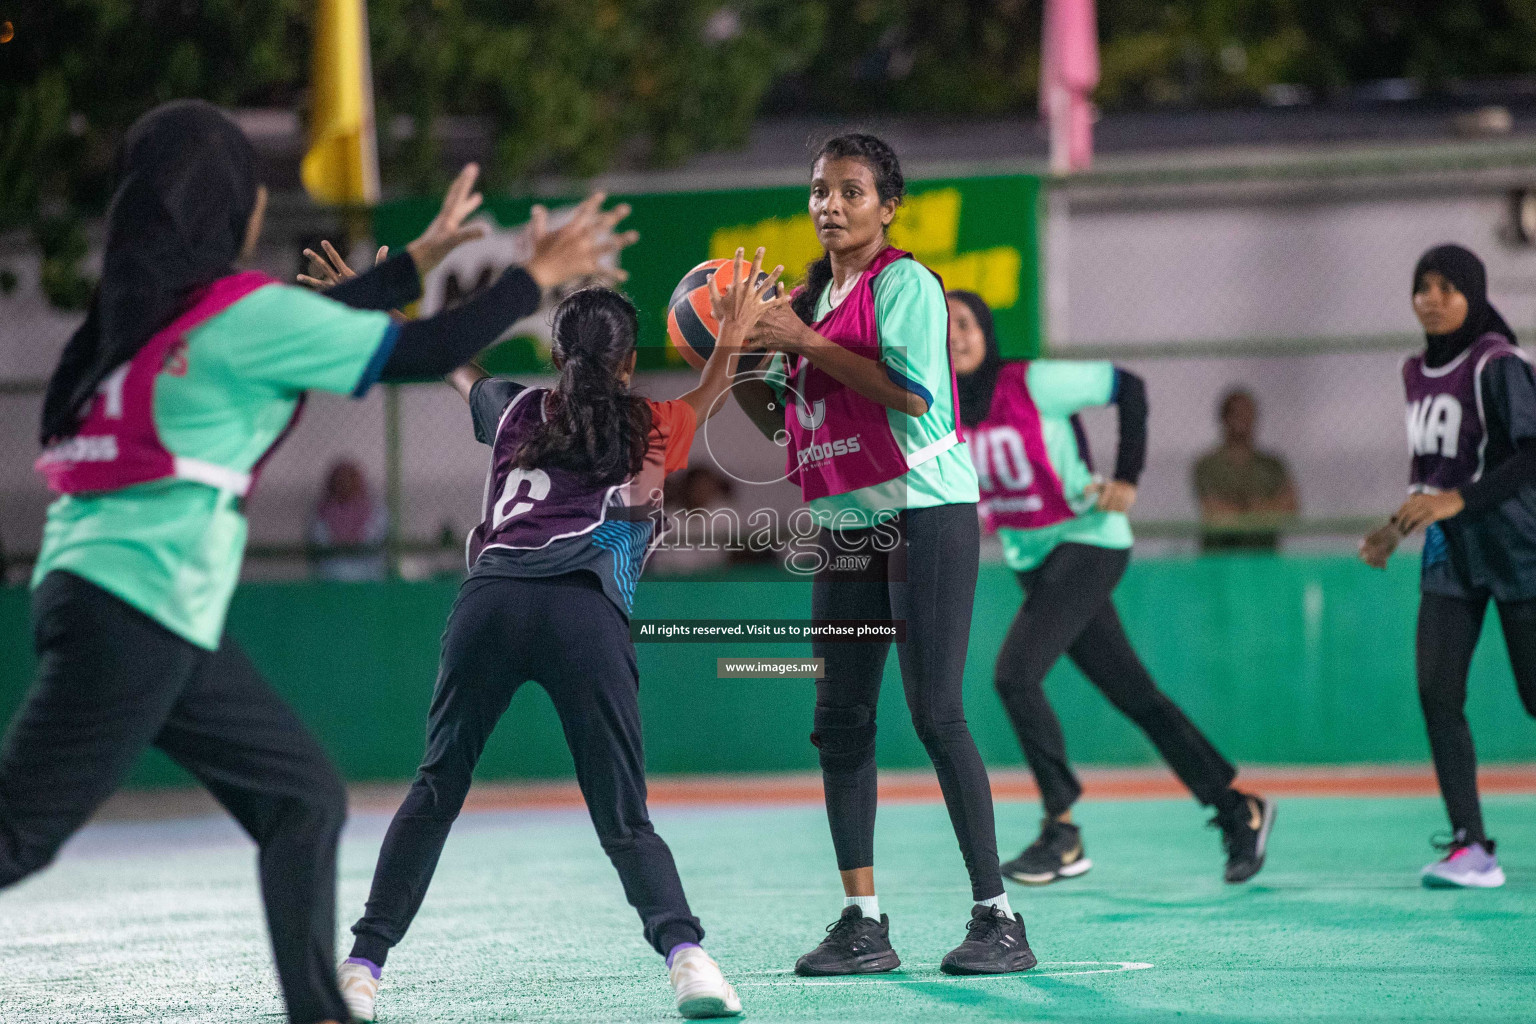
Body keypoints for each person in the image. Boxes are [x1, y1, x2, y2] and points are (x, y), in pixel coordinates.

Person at [3, 99, 633, 1024]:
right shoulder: (239, 318)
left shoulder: (142, 323)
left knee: (301, 800)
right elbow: (417, 353)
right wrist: (530, 277)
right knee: (17, 834)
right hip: (135, 605)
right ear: (234, 211)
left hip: (127, 600)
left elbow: (307, 321)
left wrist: (413, 264)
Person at [333, 250, 785, 1022]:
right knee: (622, 818)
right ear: (626, 361)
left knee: (437, 788)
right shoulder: (652, 422)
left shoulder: (511, 409)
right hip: (584, 613)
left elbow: (449, 362)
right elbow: (712, 392)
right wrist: (734, 338)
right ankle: (689, 961)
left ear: (555, 354)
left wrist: (385, 304)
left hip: (492, 602)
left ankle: (360, 971)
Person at [731, 134, 1035, 977]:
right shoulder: (804, 300)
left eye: (850, 191)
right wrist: (744, 357)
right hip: (845, 524)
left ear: (887, 204)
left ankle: (999, 917)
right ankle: (864, 923)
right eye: (820, 190)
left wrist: (801, 338)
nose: (830, 204)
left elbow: (910, 394)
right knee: (838, 724)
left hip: (924, 514)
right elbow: (787, 422)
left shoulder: (905, 284)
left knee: (936, 711)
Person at [947, 289, 1275, 887]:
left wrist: (1127, 477)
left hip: (1090, 542)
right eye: (942, 326)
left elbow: (1130, 387)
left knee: (1014, 674)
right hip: (1035, 562)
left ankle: (1061, 827)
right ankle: (1237, 808)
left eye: (965, 322)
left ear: (986, 329)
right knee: (1137, 697)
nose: (954, 335)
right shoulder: (940, 408)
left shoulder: (1034, 382)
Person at [1360, 243, 1536, 889]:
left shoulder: (1498, 363)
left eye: (1446, 287)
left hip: (1519, 545)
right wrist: (1392, 529)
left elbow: (1529, 455)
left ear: (1474, 294)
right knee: (1437, 691)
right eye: (1421, 286)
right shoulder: (1415, 371)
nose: (1430, 299)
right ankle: (1472, 846)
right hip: (1451, 553)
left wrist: (1459, 499)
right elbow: (1430, 472)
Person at [1192, 388, 1298, 551]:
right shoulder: (1207, 465)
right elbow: (1214, 512)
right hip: (1220, 556)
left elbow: (1290, 507)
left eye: (1248, 414)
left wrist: (1242, 512)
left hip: (1262, 555)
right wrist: (1261, 511)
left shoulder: (1272, 465)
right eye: (1237, 414)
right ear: (1224, 418)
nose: (1243, 420)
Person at [308, 459, 389, 581]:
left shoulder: (376, 509)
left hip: (366, 569)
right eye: (339, 480)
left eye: (348, 479)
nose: (344, 484)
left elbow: (374, 537)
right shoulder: (322, 510)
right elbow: (320, 539)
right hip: (333, 570)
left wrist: (354, 543)